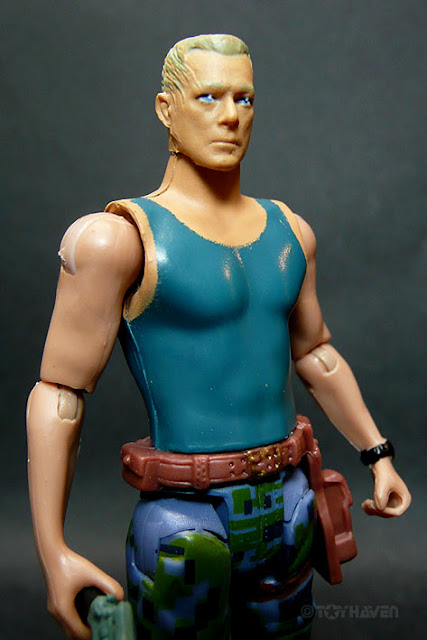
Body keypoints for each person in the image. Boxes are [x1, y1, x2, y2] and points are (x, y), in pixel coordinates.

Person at [27, 34, 411, 640]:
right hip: (187, 517)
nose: (230, 115)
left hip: (289, 501)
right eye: (208, 97)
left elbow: (316, 354)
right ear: (166, 109)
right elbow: (59, 395)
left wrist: (377, 454)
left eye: (244, 98)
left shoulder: (291, 232)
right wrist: (52, 550)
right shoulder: (118, 240)